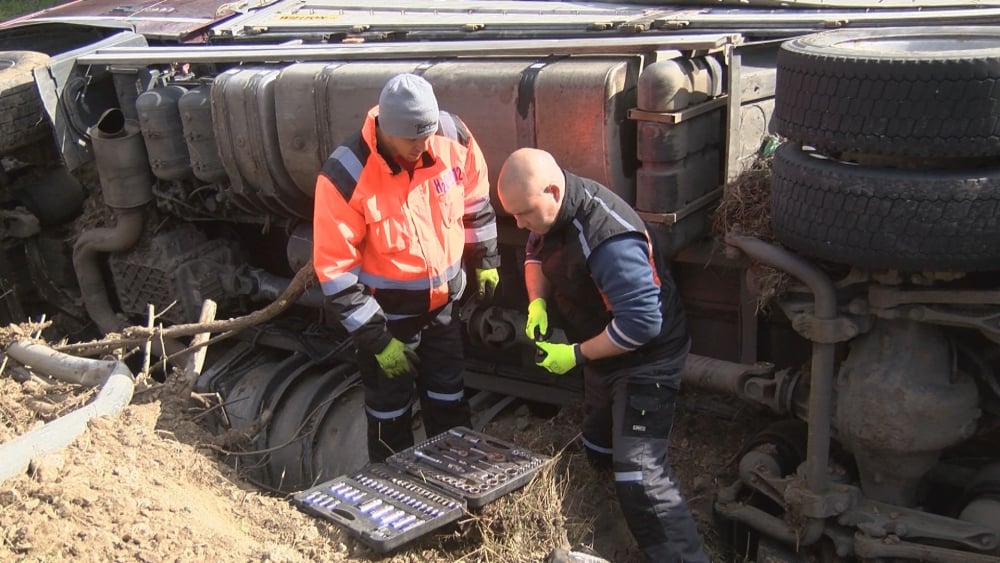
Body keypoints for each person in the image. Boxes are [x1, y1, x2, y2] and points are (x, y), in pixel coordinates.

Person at [497, 148, 707, 563]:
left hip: (647, 358)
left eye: (523, 213)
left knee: (639, 474)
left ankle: (679, 555)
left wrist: (575, 355)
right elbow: (535, 251)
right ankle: (608, 517)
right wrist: (536, 302)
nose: (519, 224)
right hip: (603, 350)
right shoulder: (550, 212)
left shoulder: (607, 239)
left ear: (553, 191)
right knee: (598, 445)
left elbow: (642, 325)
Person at [312, 73, 500, 463]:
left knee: (449, 399)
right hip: (388, 321)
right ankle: (391, 482)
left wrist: (486, 258)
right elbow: (335, 270)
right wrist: (378, 340)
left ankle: (454, 478)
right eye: (412, 139)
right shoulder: (346, 175)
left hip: (443, 311)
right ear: (385, 129)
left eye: (427, 134)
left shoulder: (453, 137)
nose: (422, 146)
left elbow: (475, 200)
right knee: (389, 412)